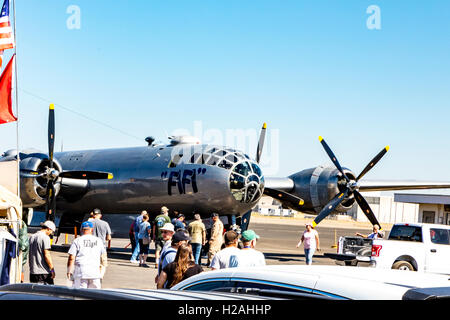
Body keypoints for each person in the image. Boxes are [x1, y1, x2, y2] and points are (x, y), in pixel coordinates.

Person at [67, 221, 108, 289]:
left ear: (82, 229)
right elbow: (104, 257)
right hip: (95, 273)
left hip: (80, 273)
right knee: (94, 295)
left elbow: (72, 257)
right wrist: (102, 272)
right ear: (92, 229)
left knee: (80, 295)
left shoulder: (77, 240)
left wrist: (69, 271)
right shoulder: (99, 241)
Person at [28, 221, 56, 285]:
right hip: (43, 273)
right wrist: (52, 270)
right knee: (47, 293)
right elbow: (47, 255)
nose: (51, 233)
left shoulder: (32, 237)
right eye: (51, 231)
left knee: (35, 293)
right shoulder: (45, 238)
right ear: (48, 229)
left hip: (33, 272)